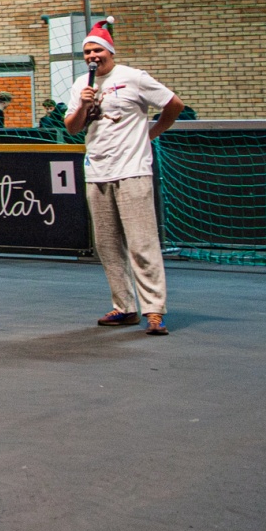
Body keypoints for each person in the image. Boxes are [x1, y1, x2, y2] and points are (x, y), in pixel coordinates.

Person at [64, 18, 184, 336]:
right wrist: (84, 105)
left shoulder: (133, 77)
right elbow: (72, 128)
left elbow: (174, 104)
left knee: (142, 244)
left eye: (98, 50)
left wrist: (151, 134)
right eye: (87, 52)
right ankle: (125, 307)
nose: (92, 56)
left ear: (110, 51)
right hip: (97, 172)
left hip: (132, 171)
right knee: (107, 245)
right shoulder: (81, 85)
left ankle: (154, 310)